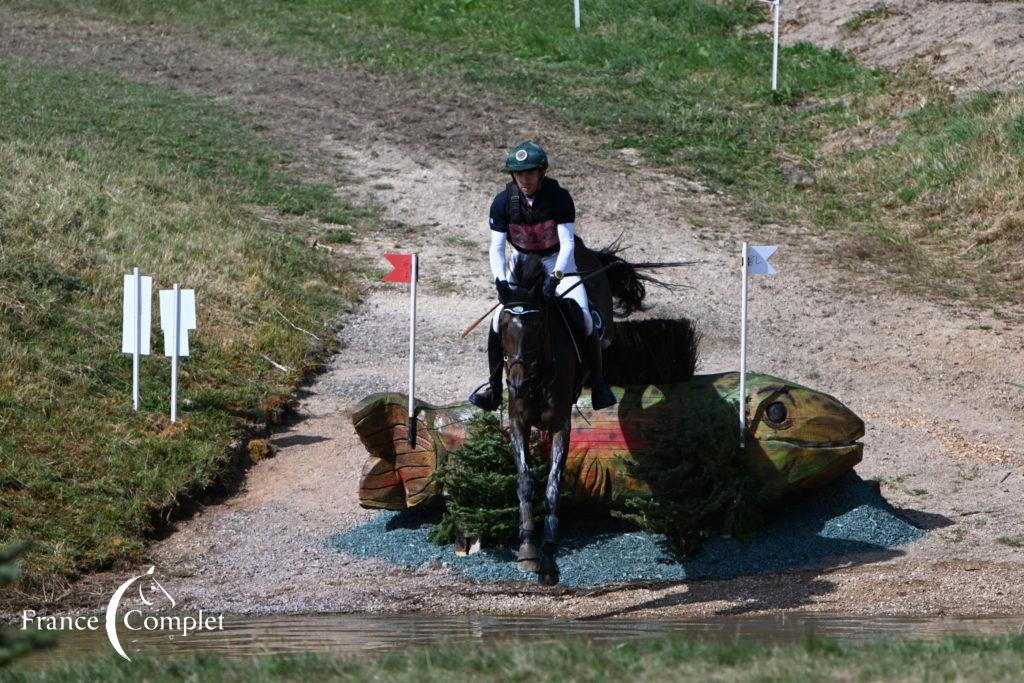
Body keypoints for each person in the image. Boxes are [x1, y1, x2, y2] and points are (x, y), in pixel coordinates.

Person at [468, 141, 617, 412]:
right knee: (495, 322)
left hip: (558, 261)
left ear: (542, 172)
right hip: (523, 264)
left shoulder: (559, 198)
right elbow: (497, 247)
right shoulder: (503, 202)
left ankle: (598, 384)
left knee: (584, 317)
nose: (524, 179)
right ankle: (493, 388)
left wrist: (556, 278)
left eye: (530, 173)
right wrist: (501, 281)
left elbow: (568, 244)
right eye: (519, 174)